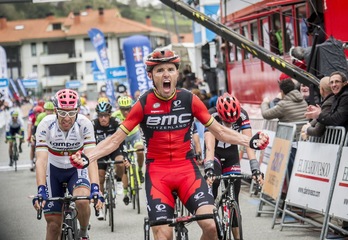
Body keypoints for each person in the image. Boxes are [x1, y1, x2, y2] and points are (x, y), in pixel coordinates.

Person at [70, 48, 269, 240]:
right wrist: (88, 157)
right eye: (160, 70)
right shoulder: (143, 103)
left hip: (187, 171)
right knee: (164, 235)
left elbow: (220, 131)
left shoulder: (189, 99)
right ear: (151, 76)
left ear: (176, 74)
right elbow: (115, 140)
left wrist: (250, 140)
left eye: (170, 70)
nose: (166, 74)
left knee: (212, 226)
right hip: (158, 174)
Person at [32, 89, 102, 240]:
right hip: (53, 171)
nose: (67, 118)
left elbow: (91, 158)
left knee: (82, 201)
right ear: (55, 110)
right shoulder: (45, 124)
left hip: (76, 169)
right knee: (53, 225)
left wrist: (96, 187)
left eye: (71, 113)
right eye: (62, 112)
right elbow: (41, 160)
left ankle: (83, 232)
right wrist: (41, 189)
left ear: (77, 110)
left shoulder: (84, 124)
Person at [205, 93, 263, 239]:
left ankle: (237, 237)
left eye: (233, 121)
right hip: (216, 155)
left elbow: (249, 144)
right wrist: (209, 168)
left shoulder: (242, 115)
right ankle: (213, 229)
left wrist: (255, 168)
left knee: (234, 198)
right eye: (227, 121)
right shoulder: (212, 115)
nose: (230, 124)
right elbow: (210, 147)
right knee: (214, 185)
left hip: (231, 155)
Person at [261, 78, 307, 180]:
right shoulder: (303, 101)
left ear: (282, 91)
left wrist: (265, 102)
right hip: (304, 141)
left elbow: (266, 114)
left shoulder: (283, 105)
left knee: (291, 172)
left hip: (291, 143)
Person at [92, 101, 126, 219]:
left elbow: (122, 140)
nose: (103, 118)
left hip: (114, 150)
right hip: (101, 151)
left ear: (109, 115)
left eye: (105, 115)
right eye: (100, 116)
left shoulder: (116, 122)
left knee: (120, 162)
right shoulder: (93, 124)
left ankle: (119, 181)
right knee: (100, 177)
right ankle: (99, 207)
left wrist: (125, 155)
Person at [112, 96, 145, 186]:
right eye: (123, 109)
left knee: (140, 150)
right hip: (123, 137)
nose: (126, 112)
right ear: (119, 108)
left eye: (128, 109)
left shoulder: (135, 112)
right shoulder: (115, 116)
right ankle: (125, 188)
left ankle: (139, 170)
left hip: (134, 134)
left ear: (131, 107)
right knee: (121, 161)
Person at [30, 101, 55, 171]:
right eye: (48, 110)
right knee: (36, 146)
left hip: (51, 134)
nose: (49, 112)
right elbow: (35, 127)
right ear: (44, 110)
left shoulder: (55, 116)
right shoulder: (41, 116)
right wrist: (33, 135)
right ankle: (35, 161)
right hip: (41, 132)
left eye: (51, 111)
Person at [27, 105, 44, 171]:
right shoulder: (31, 117)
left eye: (39, 113)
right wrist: (29, 138)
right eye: (36, 114)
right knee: (32, 146)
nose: (38, 115)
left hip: (40, 132)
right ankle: (31, 163)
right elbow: (29, 128)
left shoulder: (43, 117)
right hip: (33, 131)